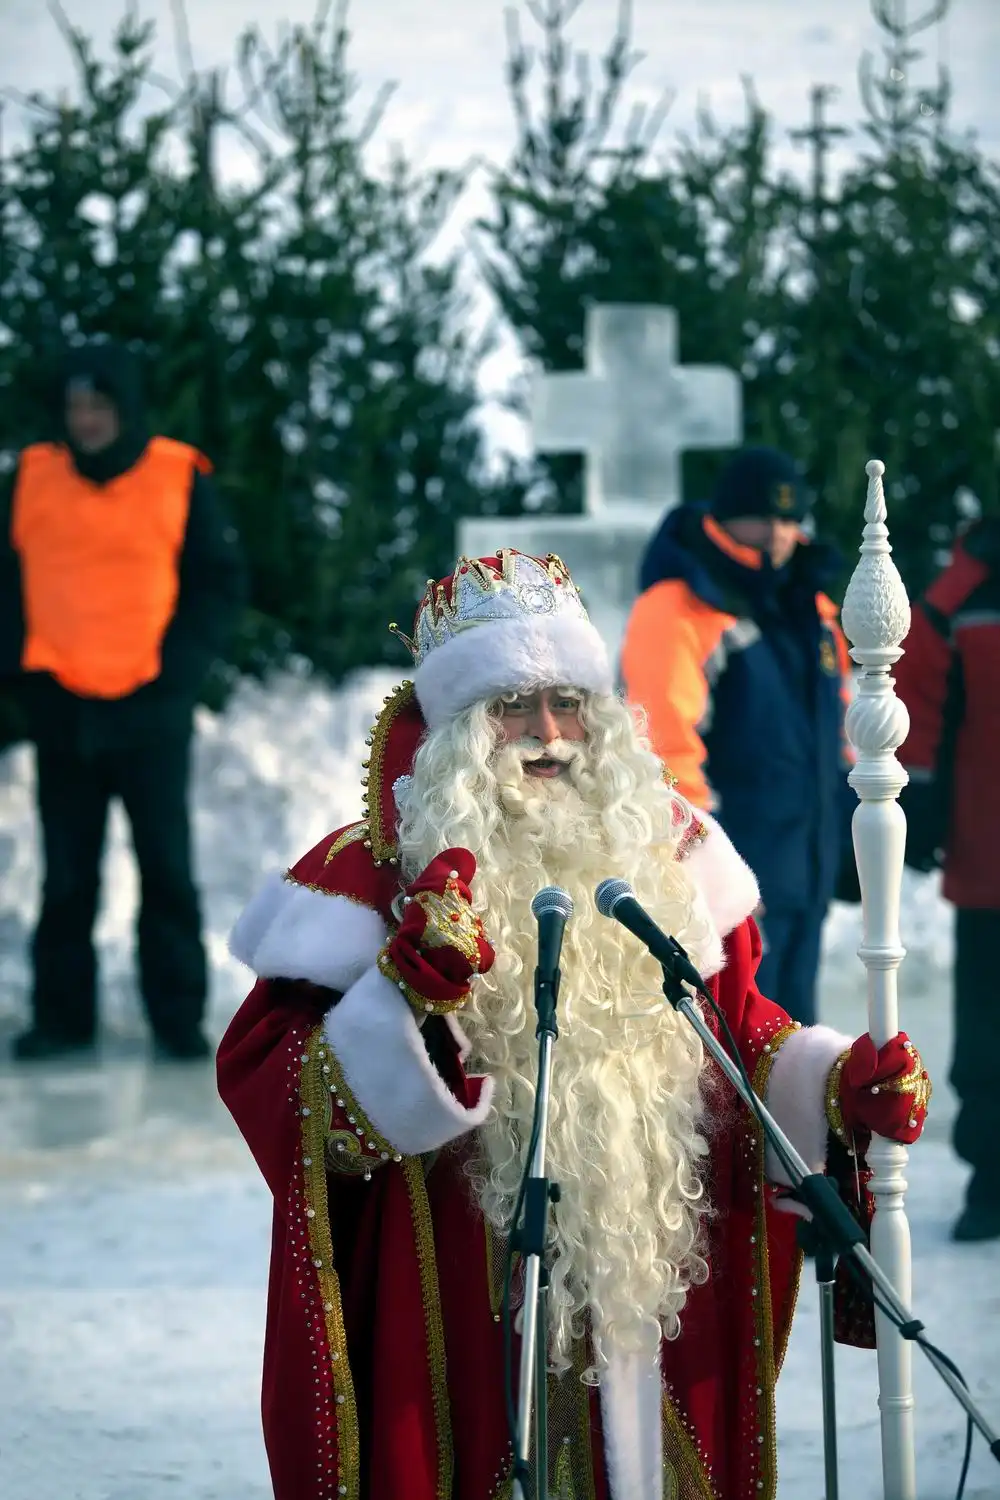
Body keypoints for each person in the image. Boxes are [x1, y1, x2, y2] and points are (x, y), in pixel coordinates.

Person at [218, 548, 931, 1500]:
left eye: (568, 703)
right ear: (458, 726)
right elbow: (279, 1094)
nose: (548, 736)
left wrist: (837, 1086)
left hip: (642, 1297)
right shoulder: (368, 882)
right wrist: (403, 1002)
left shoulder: (672, 863)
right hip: (463, 1312)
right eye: (513, 707)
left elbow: (738, 1036)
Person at [0, 340, 247, 1062]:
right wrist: (22, 680)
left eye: (100, 405)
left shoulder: (178, 475)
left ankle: (177, 1018)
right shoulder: (30, 477)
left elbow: (218, 582)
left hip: (151, 713)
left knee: (165, 868)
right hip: (63, 712)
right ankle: (62, 1018)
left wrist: (178, 673)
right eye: (76, 406)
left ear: (127, 409)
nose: (86, 419)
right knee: (67, 874)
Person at [620, 446, 857, 1028]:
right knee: (729, 1044)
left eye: (789, 518)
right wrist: (706, 870)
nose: (777, 533)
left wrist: (849, 829)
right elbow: (664, 750)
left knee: (795, 1039)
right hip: (731, 879)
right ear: (724, 518)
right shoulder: (678, 607)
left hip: (805, 865)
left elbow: (841, 731)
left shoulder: (814, 608)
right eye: (761, 517)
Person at [894, 517, 1000, 1243]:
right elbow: (918, 705)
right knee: (989, 1034)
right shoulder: (961, 594)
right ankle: (992, 1177)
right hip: (989, 859)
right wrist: (922, 814)